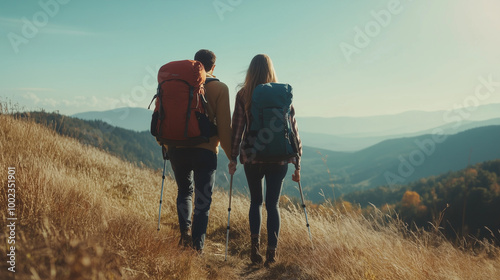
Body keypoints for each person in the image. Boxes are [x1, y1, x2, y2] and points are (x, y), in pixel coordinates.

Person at [228, 54, 302, 266]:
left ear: (251, 70)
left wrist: (233, 157)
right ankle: (271, 253)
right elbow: (293, 129)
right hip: (279, 158)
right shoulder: (283, 94)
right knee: (273, 205)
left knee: (256, 202)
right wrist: (298, 162)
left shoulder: (244, 94)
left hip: (252, 156)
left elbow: (237, 128)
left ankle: (254, 251)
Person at [167, 49, 232, 252]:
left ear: (195, 63)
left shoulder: (178, 84)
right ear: (213, 67)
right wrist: (232, 156)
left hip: (177, 147)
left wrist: (166, 145)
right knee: (202, 202)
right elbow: (224, 127)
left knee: (184, 192)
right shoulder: (220, 88)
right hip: (205, 151)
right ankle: (197, 249)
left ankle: (185, 232)